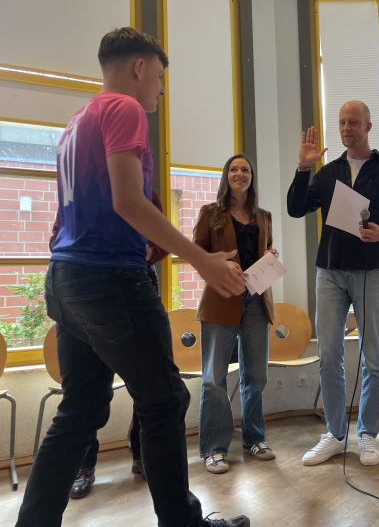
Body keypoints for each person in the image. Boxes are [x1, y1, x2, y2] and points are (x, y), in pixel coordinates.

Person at [16, 28, 249, 526]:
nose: (161, 90)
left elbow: (75, 215)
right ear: (139, 68)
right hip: (110, 281)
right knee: (165, 399)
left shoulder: (76, 123)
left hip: (68, 278)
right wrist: (203, 260)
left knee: (81, 409)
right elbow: (128, 201)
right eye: (160, 77)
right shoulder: (124, 108)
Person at [287, 100, 379, 466]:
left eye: (353, 122)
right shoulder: (328, 172)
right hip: (329, 271)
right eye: (342, 122)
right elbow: (296, 208)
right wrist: (303, 167)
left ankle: (367, 434)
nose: (346, 128)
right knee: (329, 355)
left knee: (372, 356)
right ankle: (335, 433)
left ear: (368, 126)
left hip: (372, 271)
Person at [58, 192, 166, 499]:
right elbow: (57, 240)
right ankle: (83, 466)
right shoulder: (79, 191)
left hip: (136, 285)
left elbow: (161, 239)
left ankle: (142, 455)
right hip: (89, 291)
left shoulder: (145, 192)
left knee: (147, 386)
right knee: (87, 392)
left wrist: (150, 250)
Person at [194, 154, 277, 474]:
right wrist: (219, 266)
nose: (239, 173)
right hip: (220, 300)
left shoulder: (263, 217)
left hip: (256, 301)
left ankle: (255, 438)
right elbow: (197, 254)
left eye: (245, 169)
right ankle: (214, 449)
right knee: (213, 379)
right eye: (234, 169)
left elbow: (265, 252)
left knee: (256, 376)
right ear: (226, 176)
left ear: (252, 177)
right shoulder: (210, 213)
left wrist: (270, 255)